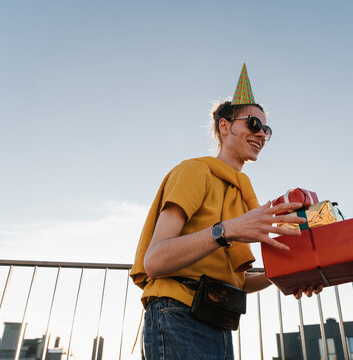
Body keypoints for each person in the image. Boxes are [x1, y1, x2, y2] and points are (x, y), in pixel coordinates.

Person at [131, 64, 322, 360]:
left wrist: (289, 273)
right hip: (177, 313)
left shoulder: (243, 196)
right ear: (224, 126)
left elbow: (236, 282)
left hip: (219, 321)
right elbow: (155, 260)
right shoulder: (195, 172)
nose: (261, 134)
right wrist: (227, 229)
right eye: (253, 124)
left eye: (266, 129)